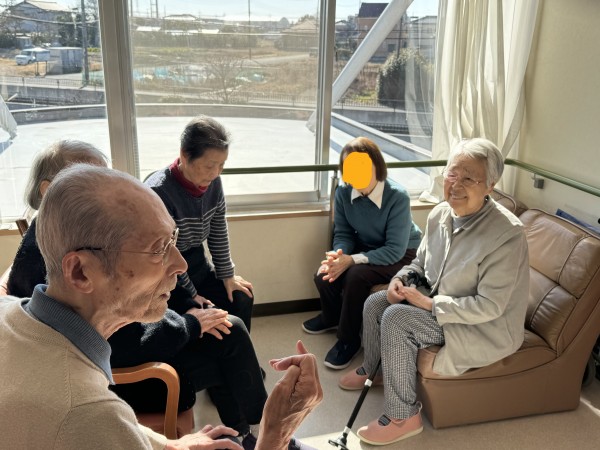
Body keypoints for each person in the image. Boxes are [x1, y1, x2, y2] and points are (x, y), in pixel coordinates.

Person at [0, 145, 314, 449]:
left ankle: (246, 429)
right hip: (135, 372)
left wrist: (167, 445)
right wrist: (276, 435)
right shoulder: (88, 413)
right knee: (228, 351)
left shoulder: (11, 309)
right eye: (158, 249)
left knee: (228, 336)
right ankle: (255, 431)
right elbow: (97, 418)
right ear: (81, 272)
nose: (181, 264)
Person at [338, 138, 530, 445]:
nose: (456, 184)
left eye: (469, 178)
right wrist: (401, 280)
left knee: (397, 318)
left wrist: (429, 304)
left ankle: (403, 416)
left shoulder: (507, 234)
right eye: (452, 173)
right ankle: (375, 369)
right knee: (376, 302)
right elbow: (419, 263)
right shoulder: (440, 214)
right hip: (440, 306)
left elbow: (490, 306)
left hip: (481, 325)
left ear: (490, 186)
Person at [302, 137, 422, 369]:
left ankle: (348, 340)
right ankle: (331, 317)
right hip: (366, 247)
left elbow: (394, 249)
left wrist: (351, 260)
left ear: (377, 165)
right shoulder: (343, 192)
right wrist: (338, 255)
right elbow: (344, 233)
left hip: (402, 253)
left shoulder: (397, 196)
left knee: (356, 276)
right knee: (325, 273)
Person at [145, 116, 254, 332]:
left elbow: (218, 229)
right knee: (213, 316)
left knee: (241, 297)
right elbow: (168, 256)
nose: (216, 173)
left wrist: (227, 275)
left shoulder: (213, 182)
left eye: (222, 165)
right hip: (168, 276)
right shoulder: (159, 191)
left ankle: (241, 353)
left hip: (197, 264)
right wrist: (191, 295)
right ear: (184, 155)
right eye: (209, 165)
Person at [2, 139, 108, 298]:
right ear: (48, 190)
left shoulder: (75, 224)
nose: (103, 191)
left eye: (105, 179)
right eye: (88, 183)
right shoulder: (52, 238)